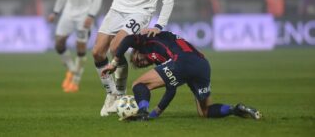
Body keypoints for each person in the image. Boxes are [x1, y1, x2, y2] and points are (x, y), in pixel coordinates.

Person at [74, 0, 174, 116]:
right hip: (118, 8)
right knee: (97, 52)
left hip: (141, 11)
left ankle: (120, 95)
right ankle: (111, 94)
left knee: (116, 47)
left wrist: (159, 25)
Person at [102, 31, 262, 121]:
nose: (142, 63)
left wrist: (114, 63)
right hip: (202, 65)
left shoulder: (147, 41)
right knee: (204, 112)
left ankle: (142, 112)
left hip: (183, 61)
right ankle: (235, 109)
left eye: (138, 59)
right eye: (141, 65)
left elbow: (128, 39)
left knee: (138, 84)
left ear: (137, 51)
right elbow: (171, 89)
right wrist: (157, 112)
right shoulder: (164, 61)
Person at [48, 0, 103, 93]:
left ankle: (76, 80)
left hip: (84, 13)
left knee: (81, 47)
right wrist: (55, 11)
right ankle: (72, 70)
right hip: (68, 12)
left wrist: (91, 15)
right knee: (59, 43)